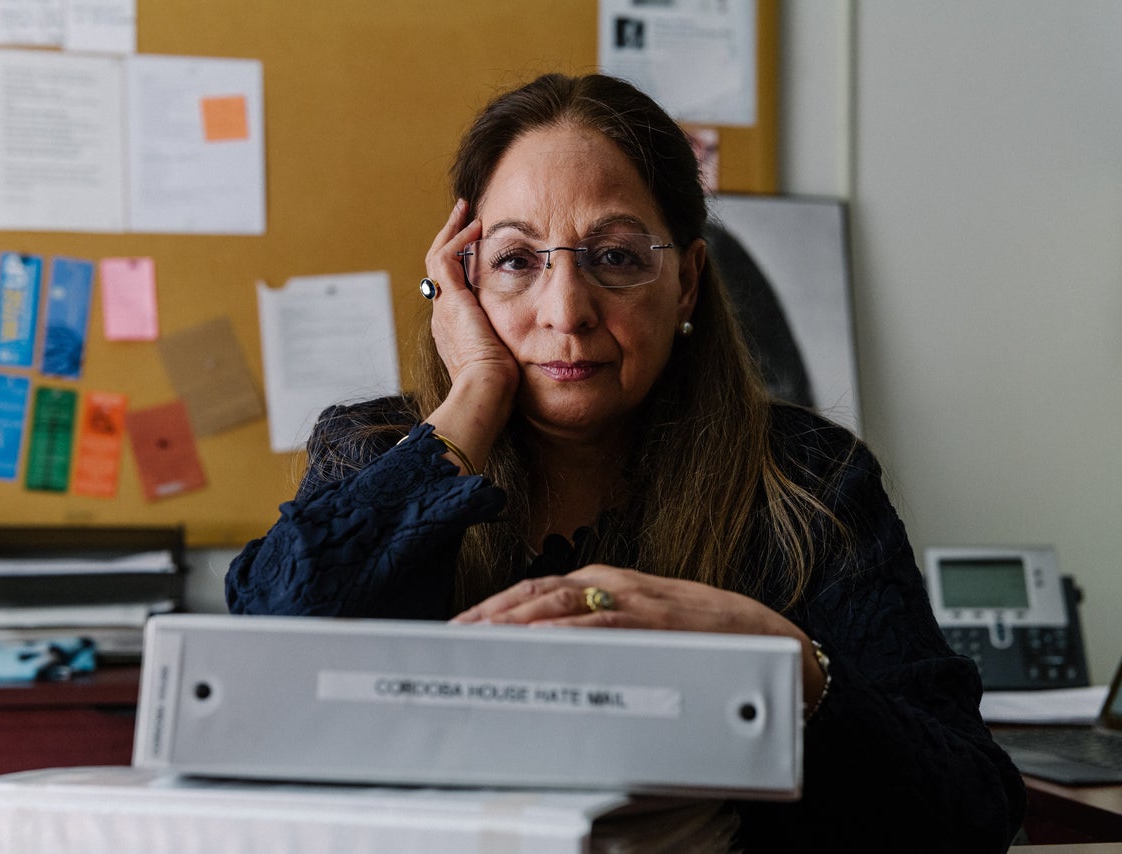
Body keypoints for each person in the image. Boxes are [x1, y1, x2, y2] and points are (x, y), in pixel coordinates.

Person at [226, 73, 1025, 851]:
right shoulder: (375, 454)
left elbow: (973, 810)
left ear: (686, 285)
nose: (566, 311)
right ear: (461, 284)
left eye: (613, 257)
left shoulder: (807, 479)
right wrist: (472, 397)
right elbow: (251, 691)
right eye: (515, 260)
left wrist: (790, 665)